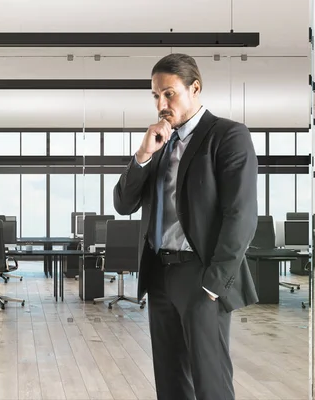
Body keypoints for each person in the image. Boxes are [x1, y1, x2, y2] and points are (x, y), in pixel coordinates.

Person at [114, 53, 259, 400]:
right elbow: (123, 203)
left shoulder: (227, 136)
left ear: (194, 88)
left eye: (169, 93)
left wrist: (213, 285)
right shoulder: (160, 144)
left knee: (210, 382)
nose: (161, 103)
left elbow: (240, 214)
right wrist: (143, 155)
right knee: (170, 382)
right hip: (159, 274)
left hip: (200, 277)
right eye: (155, 96)